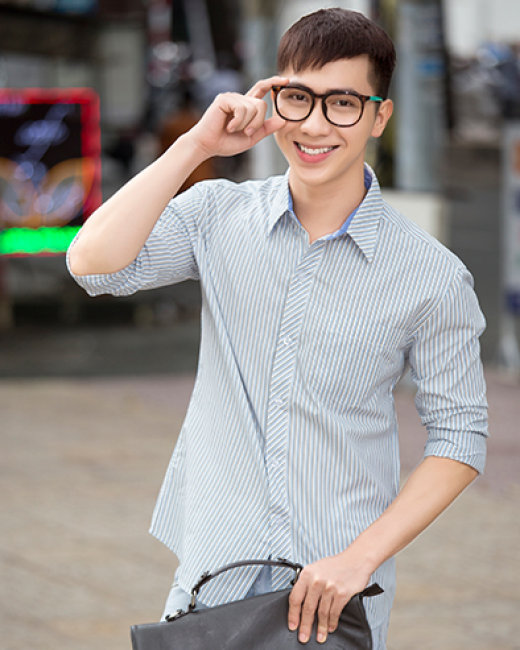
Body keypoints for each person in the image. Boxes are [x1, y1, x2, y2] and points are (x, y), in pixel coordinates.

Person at [67, 8, 488, 648]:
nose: (314, 125)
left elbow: (460, 436)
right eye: (298, 98)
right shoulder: (218, 215)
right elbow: (93, 265)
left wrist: (360, 558)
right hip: (211, 575)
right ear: (272, 97)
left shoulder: (431, 275)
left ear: (379, 116)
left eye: (343, 103)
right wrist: (196, 147)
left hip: (333, 591)